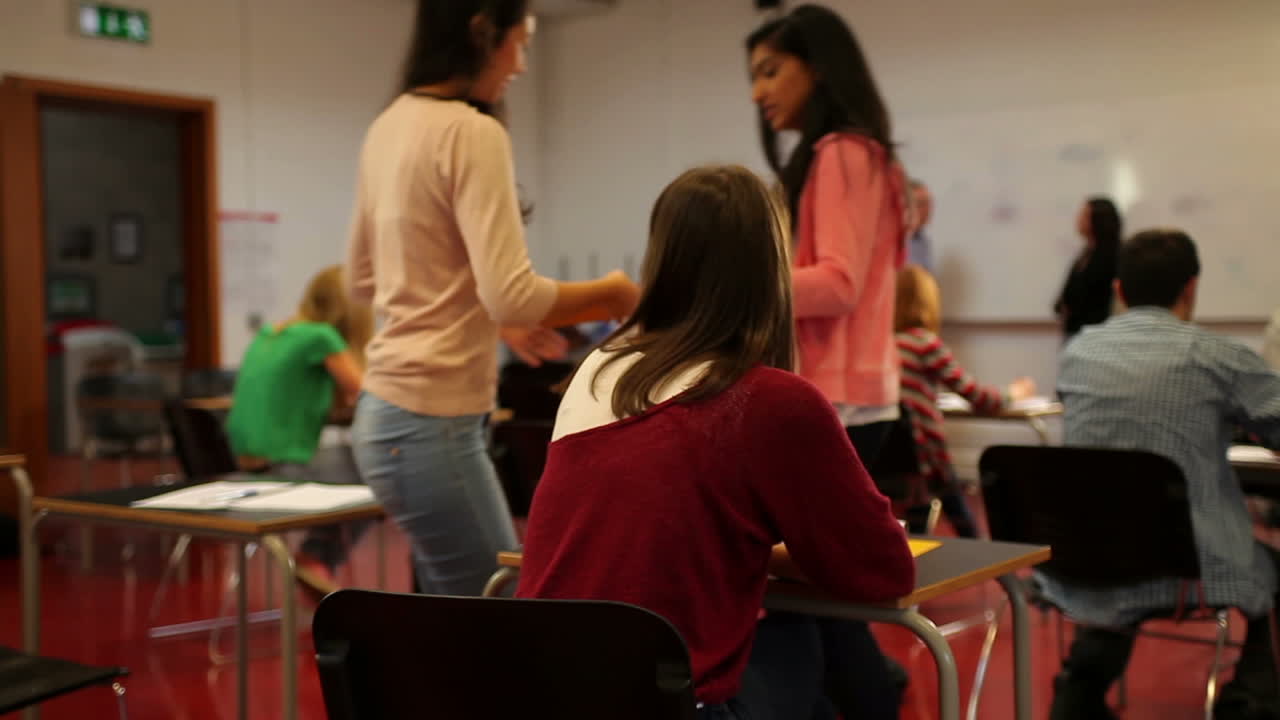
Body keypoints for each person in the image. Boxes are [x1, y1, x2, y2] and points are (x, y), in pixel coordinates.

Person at [517, 165, 915, 720]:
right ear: (774, 271)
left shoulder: (597, 371)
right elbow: (884, 571)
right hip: (677, 705)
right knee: (811, 641)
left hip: (545, 691)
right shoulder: (774, 401)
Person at [344, 0, 640, 598]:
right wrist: (614, 294)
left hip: (384, 422)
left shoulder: (390, 124)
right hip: (432, 424)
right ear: (483, 30)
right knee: (499, 613)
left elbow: (362, 278)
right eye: (520, 42)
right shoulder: (470, 131)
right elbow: (512, 295)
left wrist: (483, 314)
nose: (522, 64)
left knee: (455, 621)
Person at [746, 5, 912, 716]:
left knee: (804, 589)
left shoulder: (842, 151)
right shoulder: (854, 153)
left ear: (819, 66)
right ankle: (872, 694)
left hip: (838, 399)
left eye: (771, 71)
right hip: (845, 394)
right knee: (813, 587)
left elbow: (838, 283)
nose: (758, 91)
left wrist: (741, 282)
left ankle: (871, 695)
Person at [1049, 229, 1280, 720]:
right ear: (1191, 288)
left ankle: (1082, 689)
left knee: (1124, 550)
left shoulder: (1078, 353)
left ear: (1119, 290)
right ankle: (1254, 697)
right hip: (1190, 566)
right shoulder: (1216, 356)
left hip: (1089, 558)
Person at [225, 265, 372, 593]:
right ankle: (315, 556)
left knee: (351, 465)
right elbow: (368, 392)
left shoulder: (270, 333)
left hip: (242, 466)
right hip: (285, 467)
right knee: (379, 474)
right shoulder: (322, 337)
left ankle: (318, 560)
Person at [893, 264, 1035, 536]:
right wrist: (1015, 393)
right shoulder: (925, 344)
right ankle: (1001, 574)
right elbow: (977, 396)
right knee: (963, 520)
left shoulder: (884, 345)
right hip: (927, 457)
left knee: (919, 521)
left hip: (896, 458)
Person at [1055, 196, 1122, 339]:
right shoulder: (1086, 252)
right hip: (1076, 330)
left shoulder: (1112, 255)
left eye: (1084, 215)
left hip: (1096, 334)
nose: (1078, 220)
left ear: (1100, 220)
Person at [907, 180, 934, 271]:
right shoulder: (895, 242)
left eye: (929, 203)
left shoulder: (923, 242)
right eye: (922, 204)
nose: (928, 209)